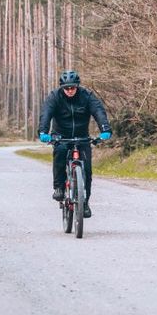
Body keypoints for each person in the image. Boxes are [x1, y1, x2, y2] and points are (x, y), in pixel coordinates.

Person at [38, 70, 111, 217]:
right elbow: (46, 114)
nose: (70, 90)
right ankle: (59, 188)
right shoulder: (55, 97)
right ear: (62, 87)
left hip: (82, 136)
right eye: (67, 88)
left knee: (87, 171)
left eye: (73, 87)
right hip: (61, 136)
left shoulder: (86, 96)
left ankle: (84, 203)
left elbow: (98, 111)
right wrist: (43, 132)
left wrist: (105, 129)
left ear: (77, 86)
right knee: (60, 154)